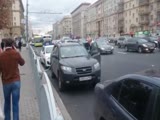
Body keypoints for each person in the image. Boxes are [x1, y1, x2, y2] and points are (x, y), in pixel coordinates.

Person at [0, 38, 25, 120]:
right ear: (12, 45)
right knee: (15, 104)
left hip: (6, 82)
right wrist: (16, 51)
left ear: (4, 45)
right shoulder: (16, 53)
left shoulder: (1, 55)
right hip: (16, 82)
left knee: (7, 103)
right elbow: (22, 63)